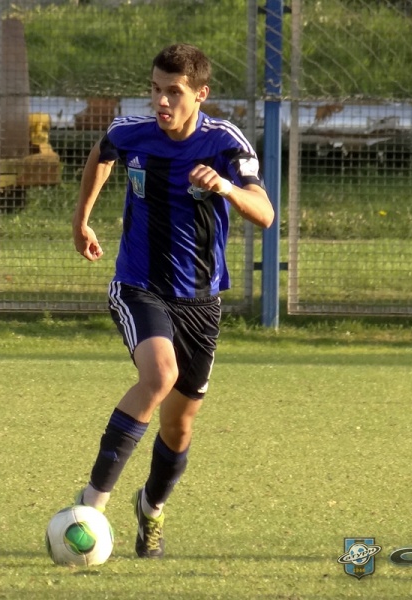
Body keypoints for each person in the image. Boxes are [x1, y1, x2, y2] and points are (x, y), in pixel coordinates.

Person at [71, 43, 274, 559]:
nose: (162, 101)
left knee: (179, 425)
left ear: (201, 94)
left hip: (200, 302)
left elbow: (265, 213)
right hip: (138, 286)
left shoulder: (224, 142)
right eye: (156, 90)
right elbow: (103, 153)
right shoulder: (130, 132)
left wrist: (225, 187)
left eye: (174, 92)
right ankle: (90, 506)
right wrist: (82, 220)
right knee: (159, 376)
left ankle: (151, 507)